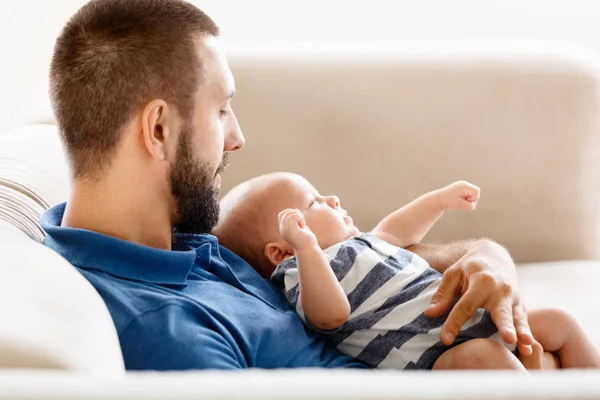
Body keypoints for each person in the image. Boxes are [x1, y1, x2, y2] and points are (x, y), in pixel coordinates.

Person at [42, 0, 536, 370]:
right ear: (158, 130)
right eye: (220, 110)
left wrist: (482, 257)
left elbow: (364, 258)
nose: (237, 138)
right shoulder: (167, 333)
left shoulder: (175, 237)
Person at [214, 172, 600, 370]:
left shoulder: (361, 243)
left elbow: (396, 230)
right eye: (314, 201)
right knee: (485, 359)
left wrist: (439, 201)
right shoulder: (302, 272)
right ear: (280, 251)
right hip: (437, 356)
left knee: (560, 322)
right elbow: (330, 316)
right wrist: (307, 248)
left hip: (476, 320)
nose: (331, 199)